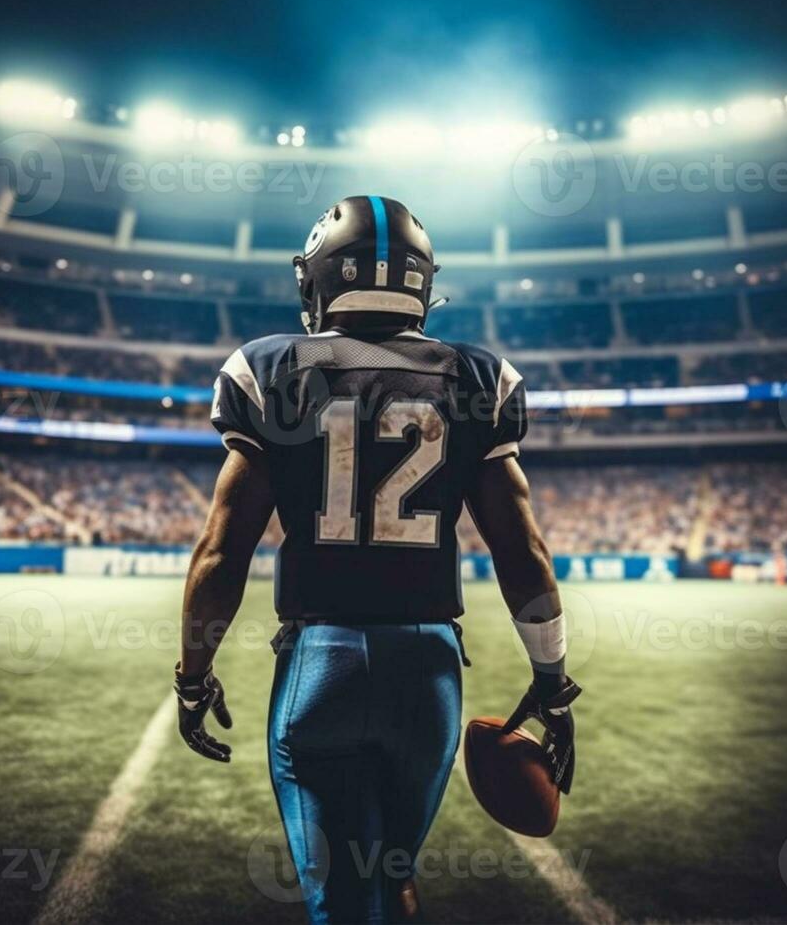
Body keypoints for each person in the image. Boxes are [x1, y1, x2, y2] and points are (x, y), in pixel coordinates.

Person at [173, 196, 581, 924]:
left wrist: (194, 676)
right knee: (394, 875)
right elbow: (524, 554)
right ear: (423, 283)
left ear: (318, 280)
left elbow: (220, 554)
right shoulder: (480, 378)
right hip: (427, 673)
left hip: (319, 663)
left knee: (340, 899)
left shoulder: (271, 369)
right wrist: (550, 679)